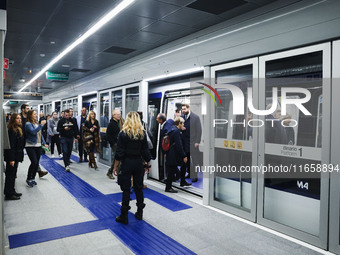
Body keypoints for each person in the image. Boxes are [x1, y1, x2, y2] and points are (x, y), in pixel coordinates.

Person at [113, 111, 151, 224]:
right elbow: (145, 151)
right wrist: (148, 164)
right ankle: (140, 213)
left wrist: (115, 167)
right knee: (139, 188)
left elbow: (119, 153)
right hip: (138, 163)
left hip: (127, 163)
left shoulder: (123, 133)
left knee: (126, 189)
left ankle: (124, 215)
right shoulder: (142, 133)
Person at [25, 110, 49, 187]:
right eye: (34, 114)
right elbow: (33, 132)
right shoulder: (28, 124)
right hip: (30, 145)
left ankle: (33, 178)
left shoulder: (36, 123)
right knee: (34, 162)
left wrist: (44, 143)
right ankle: (28, 178)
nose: (36, 115)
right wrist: (41, 125)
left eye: (36, 114)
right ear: (30, 115)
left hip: (38, 145)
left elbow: (40, 134)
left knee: (37, 163)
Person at [4, 114, 25, 200]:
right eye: (17, 118)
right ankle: (9, 193)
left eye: (20, 118)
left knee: (12, 174)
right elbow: (11, 146)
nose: (19, 120)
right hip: (12, 156)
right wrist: (11, 159)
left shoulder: (18, 129)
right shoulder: (12, 130)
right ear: (13, 119)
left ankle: (11, 191)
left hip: (16, 155)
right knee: (10, 175)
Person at [165, 117, 188, 193]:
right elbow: (179, 145)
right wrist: (184, 155)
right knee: (172, 171)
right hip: (173, 154)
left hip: (169, 153)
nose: (183, 125)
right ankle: (168, 188)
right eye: (182, 123)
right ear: (179, 123)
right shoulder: (176, 132)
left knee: (172, 170)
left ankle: (172, 185)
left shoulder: (171, 129)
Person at [181, 103, 202, 183]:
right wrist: (180, 128)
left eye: (184, 109)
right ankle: (189, 173)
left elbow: (199, 130)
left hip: (193, 143)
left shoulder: (195, 117)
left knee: (195, 160)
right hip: (184, 142)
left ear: (188, 108)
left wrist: (197, 141)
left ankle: (195, 176)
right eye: (182, 109)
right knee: (187, 160)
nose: (183, 111)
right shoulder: (182, 117)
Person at [106, 109, 124, 179]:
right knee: (117, 158)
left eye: (120, 114)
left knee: (117, 158)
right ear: (114, 115)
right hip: (115, 144)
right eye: (118, 114)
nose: (119, 115)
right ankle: (113, 172)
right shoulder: (111, 124)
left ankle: (112, 171)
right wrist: (113, 143)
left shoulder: (120, 122)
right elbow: (108, 135)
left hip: (120, 143)